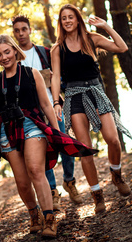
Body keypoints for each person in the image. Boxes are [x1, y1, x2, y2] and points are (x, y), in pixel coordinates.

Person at [0, 35, 97, 239]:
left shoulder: (32, 73)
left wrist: (56, 132)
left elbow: (46, 104)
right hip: (6, 130)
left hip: (31, 125)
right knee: (21, 181)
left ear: (15, 50)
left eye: (7, 52)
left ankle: (49, 218)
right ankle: (33, 214)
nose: (4, 57)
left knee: (36, 170)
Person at [50, 4, 132, 214]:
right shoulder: (57, 48)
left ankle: (117, 174)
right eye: (63, 18)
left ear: (78, 19)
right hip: (74, 97)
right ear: (61, 23)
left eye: (71, 17)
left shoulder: (92, 38)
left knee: (113, 139)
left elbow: (122, 47)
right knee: (84, 150)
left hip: (96, 93)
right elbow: (55, 78)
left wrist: (106, 26)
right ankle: (97, 195)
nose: (67, 21)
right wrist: (56, 102)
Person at [12, 15, 83, 210]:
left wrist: (57, 93)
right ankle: (52, 191)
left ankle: (69, 180)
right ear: (14, 33)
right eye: (17, 30)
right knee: (42, 153)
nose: (21, 33)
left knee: (64, 144)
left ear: (30, 30)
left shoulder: (44, 52)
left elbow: (60, 78)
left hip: (53, 107)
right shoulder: (14, 59)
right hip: (31, 114)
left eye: (24, 29)